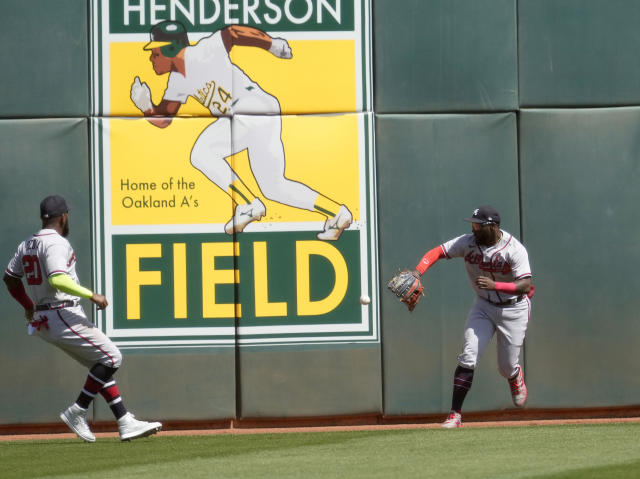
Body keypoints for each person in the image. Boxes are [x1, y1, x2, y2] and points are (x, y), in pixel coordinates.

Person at [130, 20, 352, 240]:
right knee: (274, 187)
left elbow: (233, 33)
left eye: (155, 52)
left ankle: (247, 203)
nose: (151, 58)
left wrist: (271, 44)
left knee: (202, 153)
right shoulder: (177, 81)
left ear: (171, 48)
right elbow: (165, 119)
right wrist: (147, 107)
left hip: (250, 108)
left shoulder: (204, 51)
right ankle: (337, 212)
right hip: (263, 113)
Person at [3, 195, 162, 442]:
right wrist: (92, 295)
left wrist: (27, 305)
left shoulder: (27, 244)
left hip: (46, 316)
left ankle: (124, 420)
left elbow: (10, 278)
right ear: (63, 217)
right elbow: (57, 278)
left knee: (99, 364)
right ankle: (78, 410)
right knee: (111, 356)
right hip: (60, 311)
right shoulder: (56, 243)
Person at [413, 206, 533, 428]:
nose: (474, 228)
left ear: (493, 227)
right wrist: (417, 272)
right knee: (468, 355)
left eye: (479, 225)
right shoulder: (467, 242)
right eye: (473, 224)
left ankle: (514, 375)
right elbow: (437, 251)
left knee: (505, 367)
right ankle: (455, 414)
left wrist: (496, 284)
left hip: (514, 310)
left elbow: (525, 285)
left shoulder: (515, 249)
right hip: (484, 307)